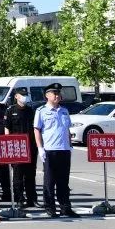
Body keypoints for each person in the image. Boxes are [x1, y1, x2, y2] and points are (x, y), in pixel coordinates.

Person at [34, 83, 79, 218]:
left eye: (58, 93)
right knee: (49, 181)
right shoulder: (41, 111)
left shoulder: (64, 110)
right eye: (54, 93)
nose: (58, 96)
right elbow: (37, 129)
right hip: (50, 149)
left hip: (64, 149)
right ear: (47, 95)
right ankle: (50, 207)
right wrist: (40, 148)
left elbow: (67, 129)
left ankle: (65, 207)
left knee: (63, 181)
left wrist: (70, 145)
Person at [5, 87, 39, 209]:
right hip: (16, 146)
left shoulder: (31, 111)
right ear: (16, 96)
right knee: (18, 176)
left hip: (30, 146)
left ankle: (32, 199)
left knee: (31, 174)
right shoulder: (10, 110)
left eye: (26, 95)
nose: (25, 97)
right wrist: (8, 144)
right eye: (22, 95)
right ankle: (19, 199)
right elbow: (7, 128)